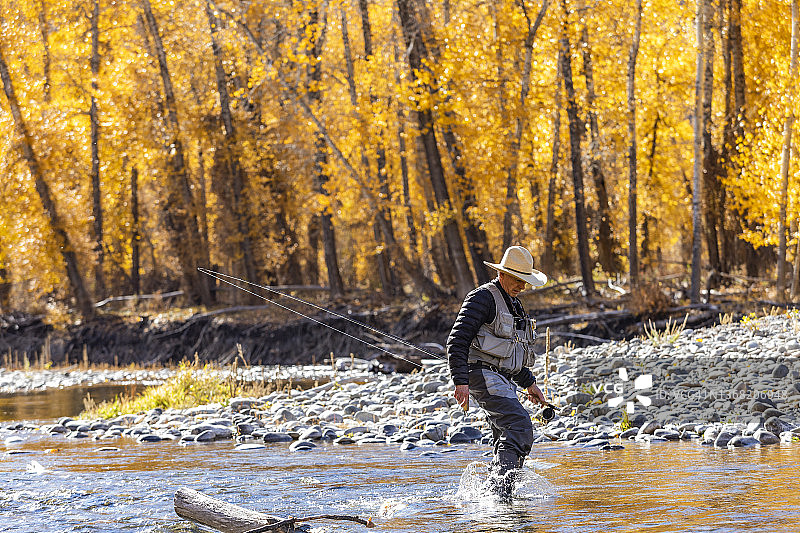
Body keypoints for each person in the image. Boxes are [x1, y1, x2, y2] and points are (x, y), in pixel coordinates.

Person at [446, 245, 548, 499]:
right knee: (519, 425)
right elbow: (456, 340)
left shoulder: (515, 304)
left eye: (525, 281)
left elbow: (511, 353)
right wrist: (460, 382)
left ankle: (498, 498)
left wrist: (529, 383)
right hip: (480, 374)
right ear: (501, 274)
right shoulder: (481, 298)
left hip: (502, 378)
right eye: (517, 279)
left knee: (506, 433)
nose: (522, 286)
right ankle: (498, 493)